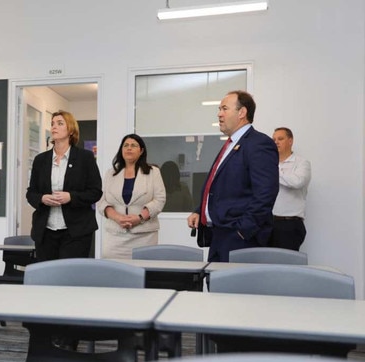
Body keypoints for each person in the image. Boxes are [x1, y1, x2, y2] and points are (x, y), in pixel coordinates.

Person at [187, 90, 279, 262]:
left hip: (239, 239)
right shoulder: (230, 144)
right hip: (218, 234)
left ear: (242, 112)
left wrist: (242, 231)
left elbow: (265, 194)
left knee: (233, 287)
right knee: (214, 285)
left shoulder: (258, 144)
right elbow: (220, 186)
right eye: (219, 109)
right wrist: (200, 211)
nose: (219, 114)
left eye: (224, 109)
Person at [26, 110, 102, 262]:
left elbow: (95, 192)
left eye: (60, 123)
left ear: (71, 130)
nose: (54, 127)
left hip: (76, 231)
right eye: (52, 123)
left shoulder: (85, 157)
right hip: (45, 231)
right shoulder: (40, 160)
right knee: (47, 277)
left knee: (69, 278)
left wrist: (71, 197)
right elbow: (31, 193)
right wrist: (42, 199)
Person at [97, 134, 166, 259]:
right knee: (113, 273)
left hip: (144, 236)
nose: (129, 148)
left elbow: (160, 200)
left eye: (133, 145)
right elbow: (101, 202)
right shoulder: (110, 174)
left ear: (141, 151)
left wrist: (140, 217)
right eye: (126, 145)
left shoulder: (153, 172)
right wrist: (117, 217)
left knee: (144, 273)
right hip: (115, 237)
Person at [269, 127, 311, 251]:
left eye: (280, 139)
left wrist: (273, 172)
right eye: (274, 139)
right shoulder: (269, 163)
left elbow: (297, 182)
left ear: (290, 141)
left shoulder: (302, 163)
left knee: (286, 267)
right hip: (267, 223)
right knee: (265, 266)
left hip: (289, 225)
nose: (276, 142)